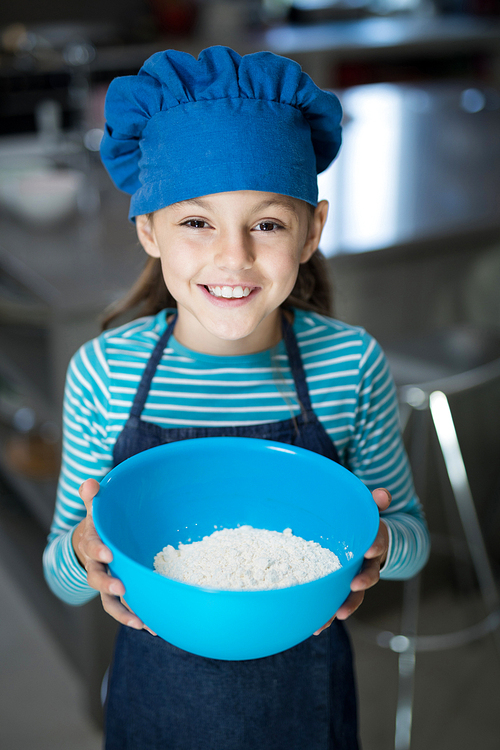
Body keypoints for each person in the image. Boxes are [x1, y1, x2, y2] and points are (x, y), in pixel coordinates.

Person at [43, 46, 430, 749]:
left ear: (311, 230)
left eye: (268, 224)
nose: (233, 257)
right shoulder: (106, 371)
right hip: (156, 708)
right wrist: (84, 553)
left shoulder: (348, 364)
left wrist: (379, 544)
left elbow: (410, 539)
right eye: (196, 222)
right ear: (148, 231)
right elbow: (63, 575)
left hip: (306, 711)